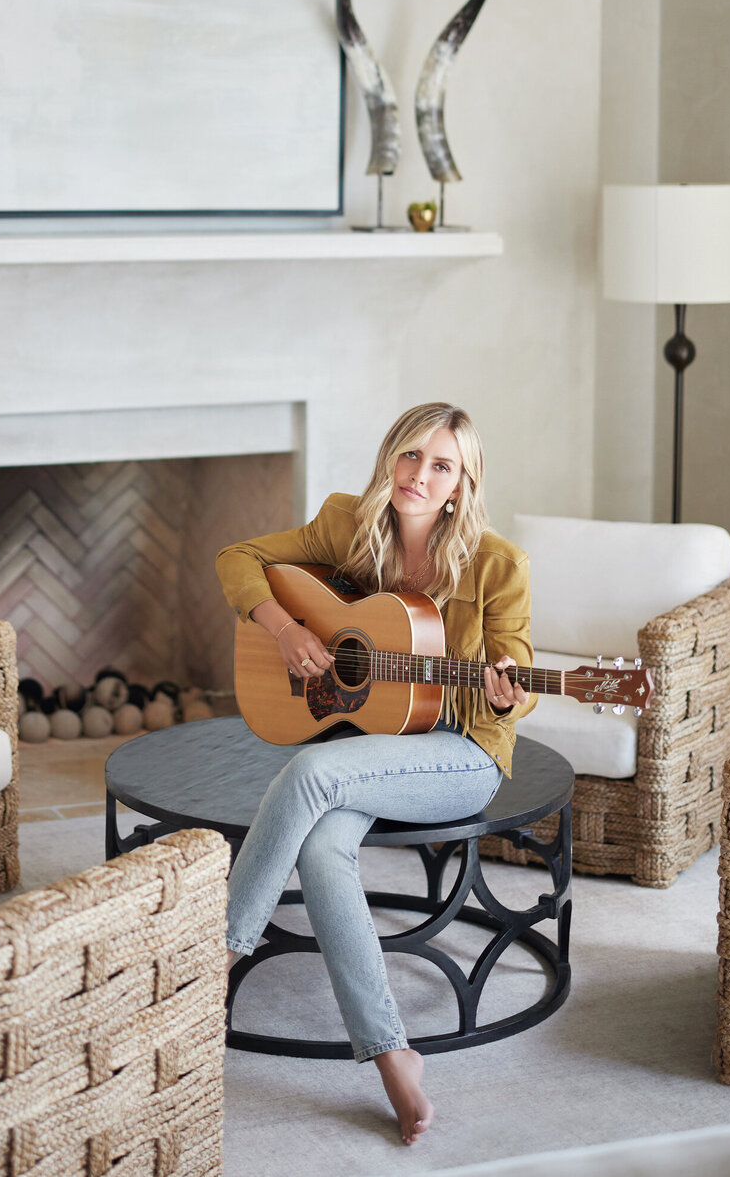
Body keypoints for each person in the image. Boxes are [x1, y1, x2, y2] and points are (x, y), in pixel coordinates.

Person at [215, 402, 534, 1146]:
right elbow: (238, 557)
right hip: (375, 737)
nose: (421, 474)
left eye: (443, 464)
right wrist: (288, 627)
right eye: (411, 455)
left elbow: (512, 659)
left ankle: (218, 958)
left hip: (460, 751)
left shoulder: (499, 563)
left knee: (310, 772)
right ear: (391, 456)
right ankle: (393, 1052)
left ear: (462, 484)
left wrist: (508, 681)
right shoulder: (345, 524)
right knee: (322, 845)